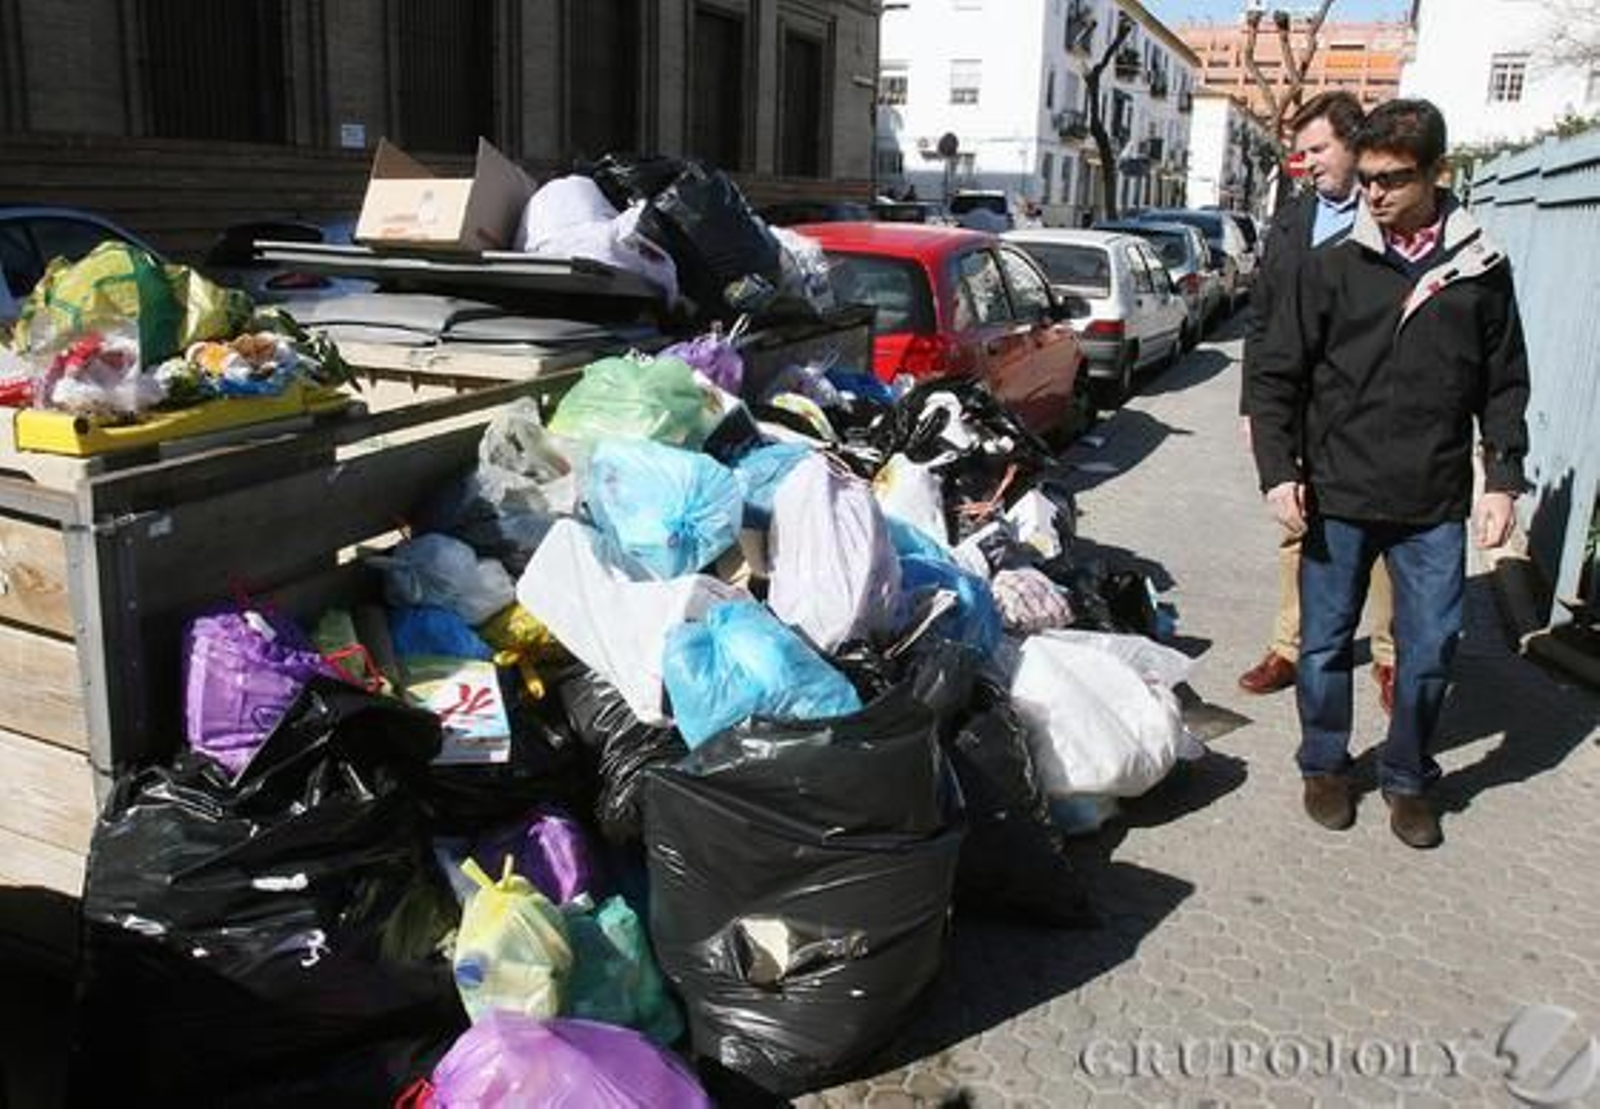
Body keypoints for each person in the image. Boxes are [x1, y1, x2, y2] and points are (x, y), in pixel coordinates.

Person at [1251, 98, 1530, 849]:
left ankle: (1408, 776)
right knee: (1322, 640)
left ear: (1439, 173)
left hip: (1432, 501)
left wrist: (1501, 478)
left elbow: (1504, 382)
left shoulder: (1479, 269)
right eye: (1366, 178)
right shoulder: (1332, 266)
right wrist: (1279, 471)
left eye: (1393, 180)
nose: (1372, 194)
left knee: (1433, 645)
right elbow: (1277, 373)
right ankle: (1324, 762)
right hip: (1337, 491)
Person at [1237, 91, 1397, 714]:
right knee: (1297, 524)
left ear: (1355, 143)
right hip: (1296, 403)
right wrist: (1256, 408)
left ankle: (1391, 657)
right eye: (1300, 153)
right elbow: (1261, 316)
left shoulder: (1390, 215)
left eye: (1319, 149)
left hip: (1365, 404)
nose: (1307, 164)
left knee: (1383, 535)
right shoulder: (1293, 215)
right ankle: (1290, 644)